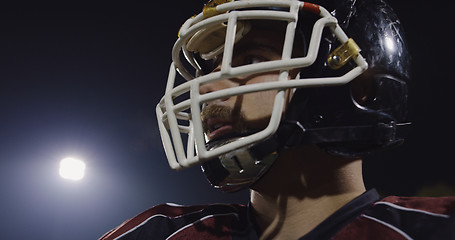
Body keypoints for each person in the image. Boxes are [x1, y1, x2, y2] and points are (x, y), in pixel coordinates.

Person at [99, 0, 455, 239]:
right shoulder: (160, 233)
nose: (209, 89)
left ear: (358, 83)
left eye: (252, 61)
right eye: (207, 70)